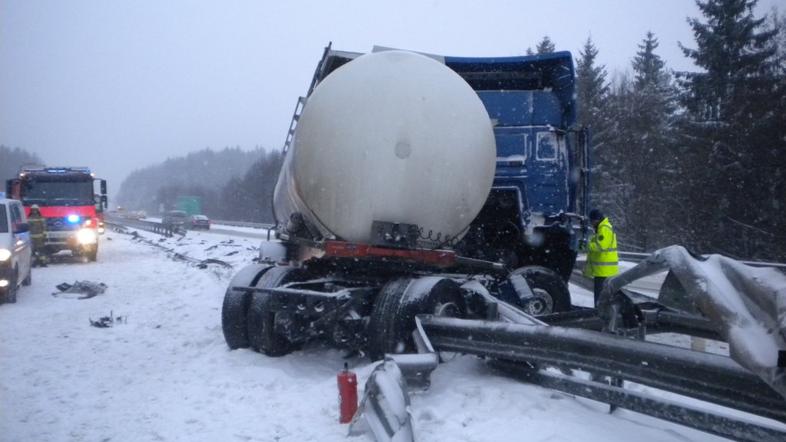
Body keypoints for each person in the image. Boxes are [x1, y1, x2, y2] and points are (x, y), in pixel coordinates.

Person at [583, 209, 618, 306]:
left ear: (596, 220)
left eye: (592, 221)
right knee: (601, 296)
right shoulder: (600, 228)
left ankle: (599, 315)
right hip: (602, 270)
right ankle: (599, 313)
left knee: (600, 297)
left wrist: (587, 245)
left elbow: (601, 246)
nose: (591, 224)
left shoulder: (604, 228)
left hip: (604, 271)